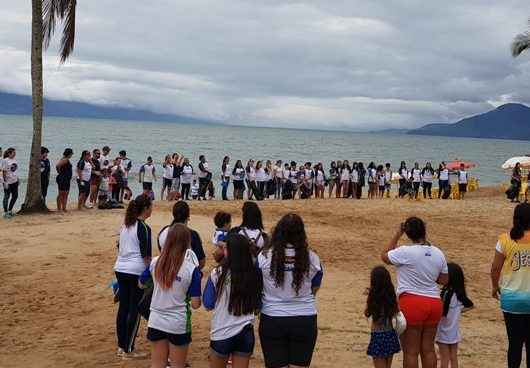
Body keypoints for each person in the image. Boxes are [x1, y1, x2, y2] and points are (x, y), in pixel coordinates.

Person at [381, 217, 448, 368]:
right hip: (434, 302)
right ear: (424, 230)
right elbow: (444, 280)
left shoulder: (405, 251)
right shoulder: (438, 252)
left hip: (412, 302)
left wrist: (397, 234)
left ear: (408, 233)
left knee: (411, 351)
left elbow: (384, 255)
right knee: (428, 349)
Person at [257, 213, 323, 368]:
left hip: (272, 317)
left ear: (278, 232)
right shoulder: (312, 258)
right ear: (301, 234)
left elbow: (257, 284)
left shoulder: (264, 257)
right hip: (304, 318)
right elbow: (315, 287)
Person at [139, 223, 202, 368]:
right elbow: (195, 303)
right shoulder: (191, 269)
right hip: (178, 322)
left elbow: (141, 283)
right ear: (187, 242)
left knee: (157, 365)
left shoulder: (155, 262)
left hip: (156, 319)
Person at [203, 234, 263, 368]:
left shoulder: (217, 273)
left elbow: (208, 304)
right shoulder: (255, 273)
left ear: (228, 251)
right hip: (245, 332)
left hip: (222, 332)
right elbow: (258, 305)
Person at [491, 203, 530, 368]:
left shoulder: (504, 239)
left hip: (511, 299)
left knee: (514, 344)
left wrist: (494, 286)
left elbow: (495, 268)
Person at [114, 194, 153, 359]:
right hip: (135, 271)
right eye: (150, 206)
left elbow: (119, 246)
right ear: (145, 209)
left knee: (123, 307)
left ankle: (121, 346)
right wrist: (150, 272)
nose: (152, 209)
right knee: (134, 309)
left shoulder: (125, 225)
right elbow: (146, 256)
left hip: (120, 268)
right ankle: (128, 349)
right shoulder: (143, 227)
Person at [436, 263, 474, 368]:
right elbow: (471, 306)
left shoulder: (444, 293)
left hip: (443, 331)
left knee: (444, 357)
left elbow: (440, 311)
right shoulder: (459, 294)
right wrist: (458, 311)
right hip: (454, 332)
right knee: (453, 357)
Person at [365, 266, 402, 368]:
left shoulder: (373, 298)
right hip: (390, 334)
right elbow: (396, 311)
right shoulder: (391, 296)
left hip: (377, 336)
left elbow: (367, 313)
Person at [158, 200, 206, 270]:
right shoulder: (192, 235)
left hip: (166, 270)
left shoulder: (163, 231)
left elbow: (161, 250)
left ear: (173, 214)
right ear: (188, 216)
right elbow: (201, 262)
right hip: (185, 274)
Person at [2, 148, 19, 218]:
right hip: (8, 182)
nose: (15, 154)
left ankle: (10, 210)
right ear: (9, 153)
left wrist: (17, 179)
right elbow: (3, 172)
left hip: (14, 181)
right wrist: (5, 182)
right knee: (7, 196)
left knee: (15, 196)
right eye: (13, 153)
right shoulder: (5, 161)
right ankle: (5, 213)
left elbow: (14, 171)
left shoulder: (15, 160)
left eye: (15, 153)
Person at [56, 148, 73, 212]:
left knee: (65, 193)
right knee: (61, 193)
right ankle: (60, 208)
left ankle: (63, 208)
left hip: (66, 178)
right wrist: (59, 172)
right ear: (69, 154)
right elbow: (57, 165)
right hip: (63, 178)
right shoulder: (65, 159)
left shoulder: (65, 159)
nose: (72, 155)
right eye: (71, 154)